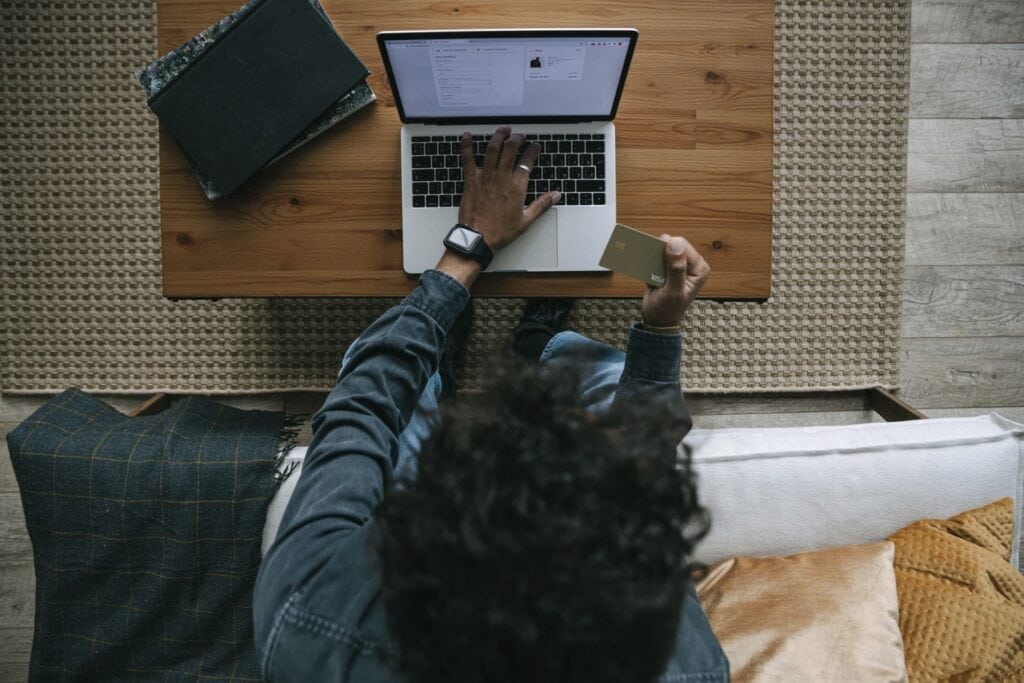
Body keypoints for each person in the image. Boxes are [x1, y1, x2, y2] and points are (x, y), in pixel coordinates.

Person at [253, 127, 727, 682]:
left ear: (416, 531)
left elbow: (360, 407)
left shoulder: (309, 618)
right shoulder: (679, 662)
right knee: (614, 375)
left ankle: (439, 367)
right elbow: (640, 482)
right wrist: (659, 329)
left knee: (386, 369)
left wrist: (464, 253)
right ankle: (535, 346)